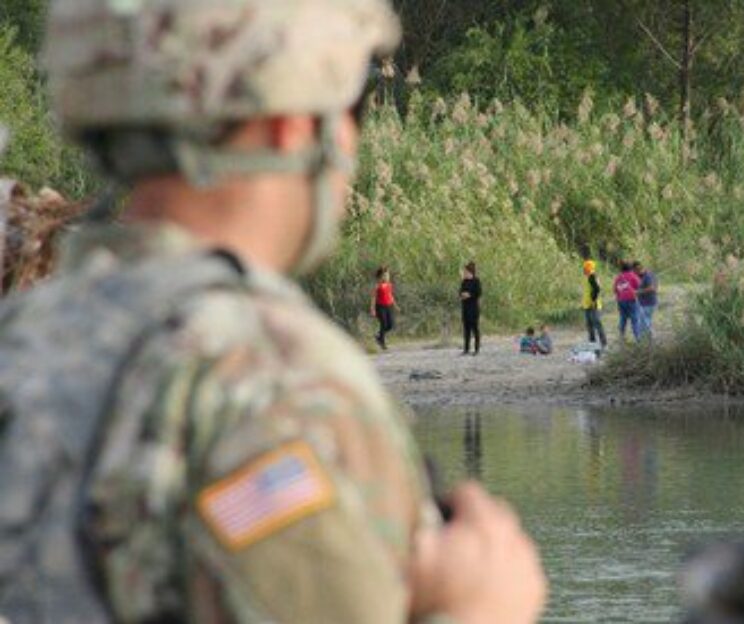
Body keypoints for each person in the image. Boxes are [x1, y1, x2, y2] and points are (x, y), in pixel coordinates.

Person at [0, 2, 547, 623]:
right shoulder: (271, 374)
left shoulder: (25, 335)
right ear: (289, 124)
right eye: (352, 103)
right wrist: (481, 606)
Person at [613, 261, 642, 342]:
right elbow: (639, 287)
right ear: (630, 268)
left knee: (623, 318)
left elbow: (615, 290)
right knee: (635, 319)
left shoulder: (618, 277)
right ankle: (638, 338)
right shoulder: (633, 276)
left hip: (621, 301)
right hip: (632, 300)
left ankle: (621, 336)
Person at [371, 265, 398, 350]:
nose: (387, 277)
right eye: (385, 275)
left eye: (388, 275)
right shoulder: (377, 286)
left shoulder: (389, 285)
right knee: (383, 324)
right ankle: (382, 342)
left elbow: (390, 295)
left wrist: (395, 305)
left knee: (390, 325)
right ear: (381, 277)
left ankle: (378, 336)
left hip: (389, 306)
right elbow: (373, 298)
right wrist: (372, 309)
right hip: (380, 307)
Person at [582, 259, 607, 349]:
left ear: (588, 268)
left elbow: (597, 289)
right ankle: (592, 344)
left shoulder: (592, 276)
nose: (583, 269)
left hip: (593, 305)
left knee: (597, 324)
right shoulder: (589, 276)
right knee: (590, 326)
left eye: (584, 268)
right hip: (587, 305)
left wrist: (593, 300)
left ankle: (603, 344)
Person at [460, 261, 482, 355]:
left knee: (475, 329)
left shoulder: (476, 281)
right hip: (465, 307)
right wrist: (462, 294)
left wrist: (469, 295)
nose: (464, 273)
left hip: (473, 308)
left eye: (465, 271)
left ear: (470, 272)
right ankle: (466, 349)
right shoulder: (464, 281)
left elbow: (479, 293)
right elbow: (460, 291)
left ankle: (476, 349)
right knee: (466, 329)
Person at [633, 260, 659, 339]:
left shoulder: (648, 275)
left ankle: (648, 338)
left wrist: (639, 292)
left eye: (634, 271)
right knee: (645, 321)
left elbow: (652, 288)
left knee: (643, 322)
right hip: (642, 303)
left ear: (637, 269)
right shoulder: (640, 276)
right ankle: (648, 339)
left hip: (649, 303)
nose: (634, 273)